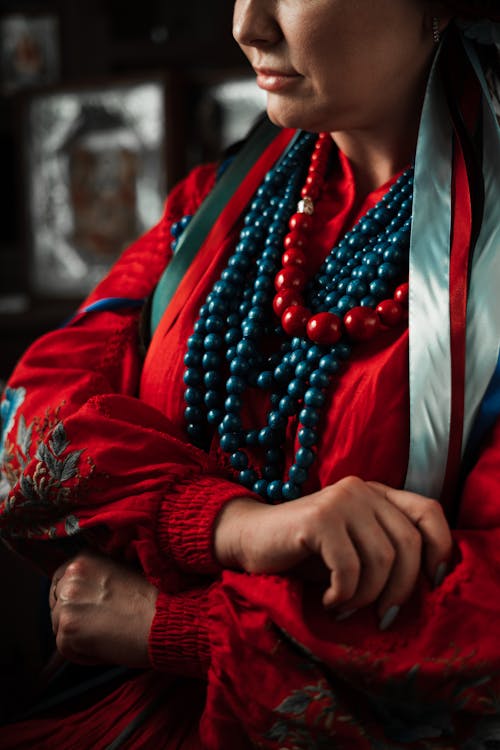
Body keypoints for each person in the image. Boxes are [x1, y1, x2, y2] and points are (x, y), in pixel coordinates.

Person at [0, 0, 499, 747]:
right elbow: (32, 413)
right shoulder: (217, 203)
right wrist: (232, 527)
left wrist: (176, 627)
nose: (247, 25)